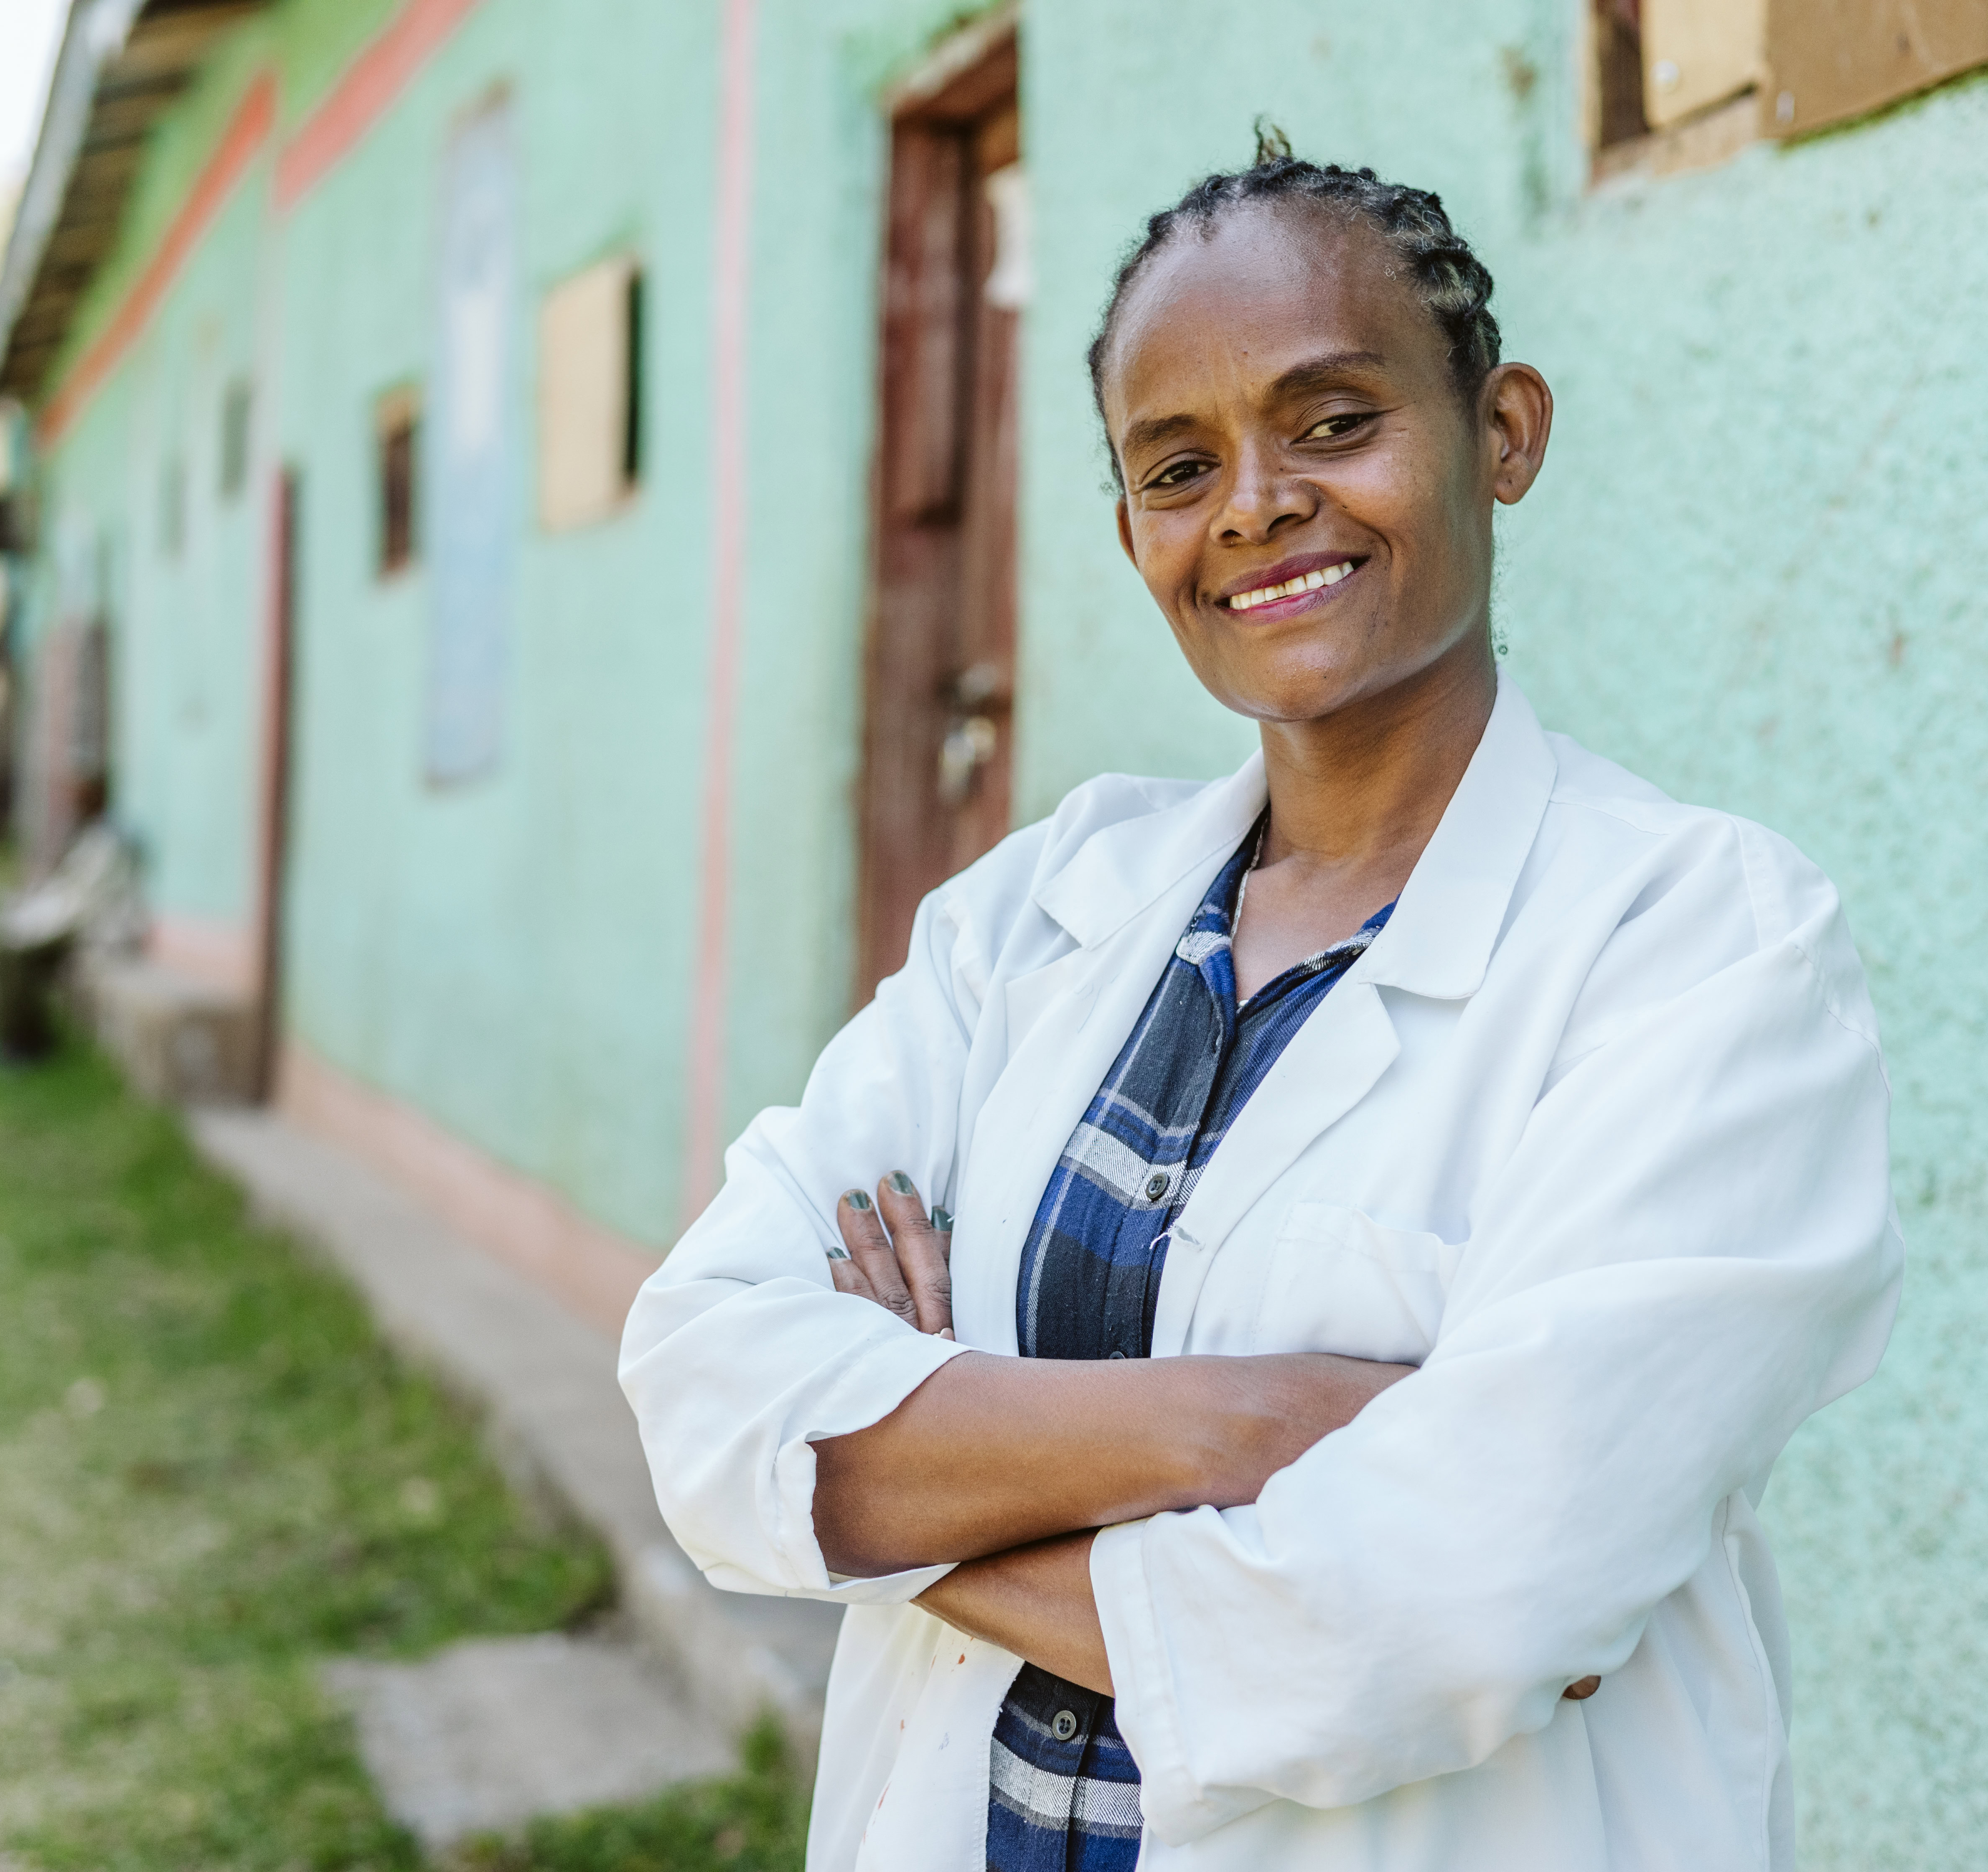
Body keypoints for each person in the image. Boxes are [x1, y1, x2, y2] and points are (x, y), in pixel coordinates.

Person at [621, 130, 1901, 1872]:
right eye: (1175, 464)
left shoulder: (1699, 948)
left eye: (1334, 422)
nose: (1251, 507)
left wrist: (911, 1465)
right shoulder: (1033, 921)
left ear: (1501, 432)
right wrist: (1255, 1422)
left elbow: (1450, 1596)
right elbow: (705, 1381)